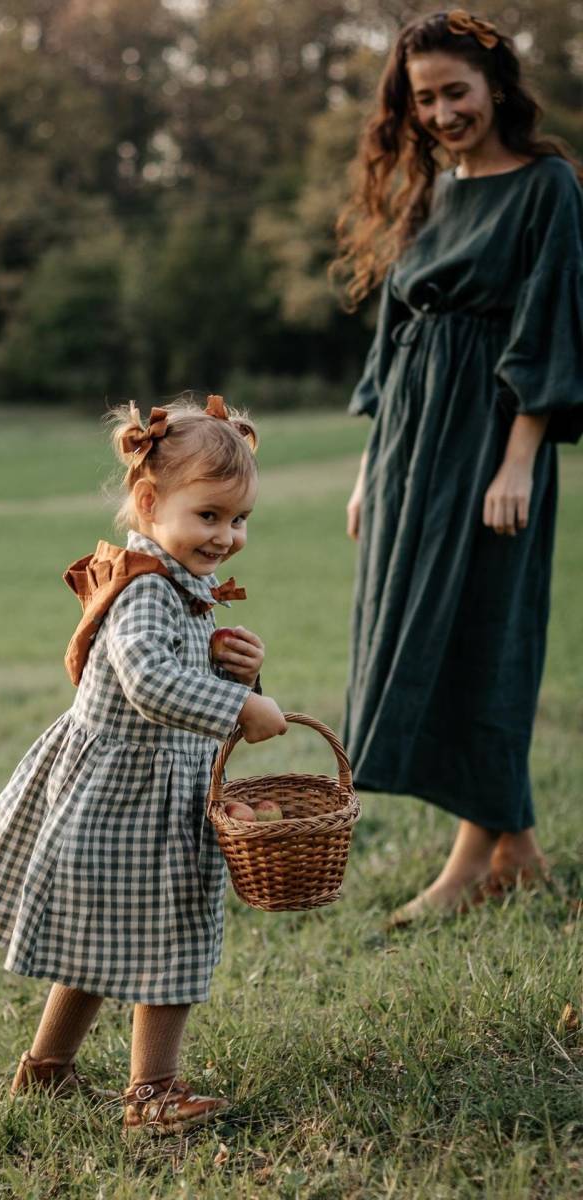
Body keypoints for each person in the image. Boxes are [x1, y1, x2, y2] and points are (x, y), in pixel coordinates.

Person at [0, 393, 287, 1132]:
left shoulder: (177, 582)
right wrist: (239, 709)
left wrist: (238, 669)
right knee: (168, 937)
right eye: (210, 516)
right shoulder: (144, 591)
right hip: (128, 798)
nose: (227, 536)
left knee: (100, 941)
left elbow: (181, 671)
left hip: (141, 794)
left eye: (239, 521)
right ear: (148, 500)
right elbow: (150, 682)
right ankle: (153, 1094)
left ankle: (45, 1073)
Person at [332, 9, 583, 925]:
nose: (441, 112)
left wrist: (519, 461)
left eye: (456, 92)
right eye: (424, 97)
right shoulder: (430, 196)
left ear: (497, 88)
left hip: (490, 444)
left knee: (487, 632)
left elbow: (549, 329)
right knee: (411, 629)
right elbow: (394, 343)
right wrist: (370, 467)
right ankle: (516, 848)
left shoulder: (547, 188)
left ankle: (470, 863)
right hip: (409, 448)